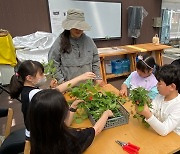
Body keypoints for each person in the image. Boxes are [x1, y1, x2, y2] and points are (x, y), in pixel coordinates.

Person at [9, 60, 96, 138]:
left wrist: (50, 88)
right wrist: (80, 78)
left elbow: (47, 93)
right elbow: (56, 90)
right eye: (41, 74)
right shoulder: (33, 93)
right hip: (38, 137)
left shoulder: (26, 90)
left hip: (33, 130)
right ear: (29, 78)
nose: (44, 76)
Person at [28, 89, 113, 154]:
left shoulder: (38, 132)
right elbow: (96, 130)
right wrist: (106, 114)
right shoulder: (70, 138)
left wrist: (73, 107)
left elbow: (65, 124)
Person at [48, 8, 103, 85]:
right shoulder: (59, 42)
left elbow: (95, 60)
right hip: (69, 87)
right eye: (75, 27)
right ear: (69, 26)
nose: (78, 30)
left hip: (88, 85)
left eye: (80, 27)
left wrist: (97, 76)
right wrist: (61, 81)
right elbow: (53, 63)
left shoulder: (89, 41)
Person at [136, 64, 180, 136]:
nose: (156, 86)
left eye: (159, 84)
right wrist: (142, 108)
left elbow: (164, 130)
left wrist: (147, 114)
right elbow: (152, 110)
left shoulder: (178, 106)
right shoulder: (160, 97)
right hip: (159, 135)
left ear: (172, 87)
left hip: (175, 141)